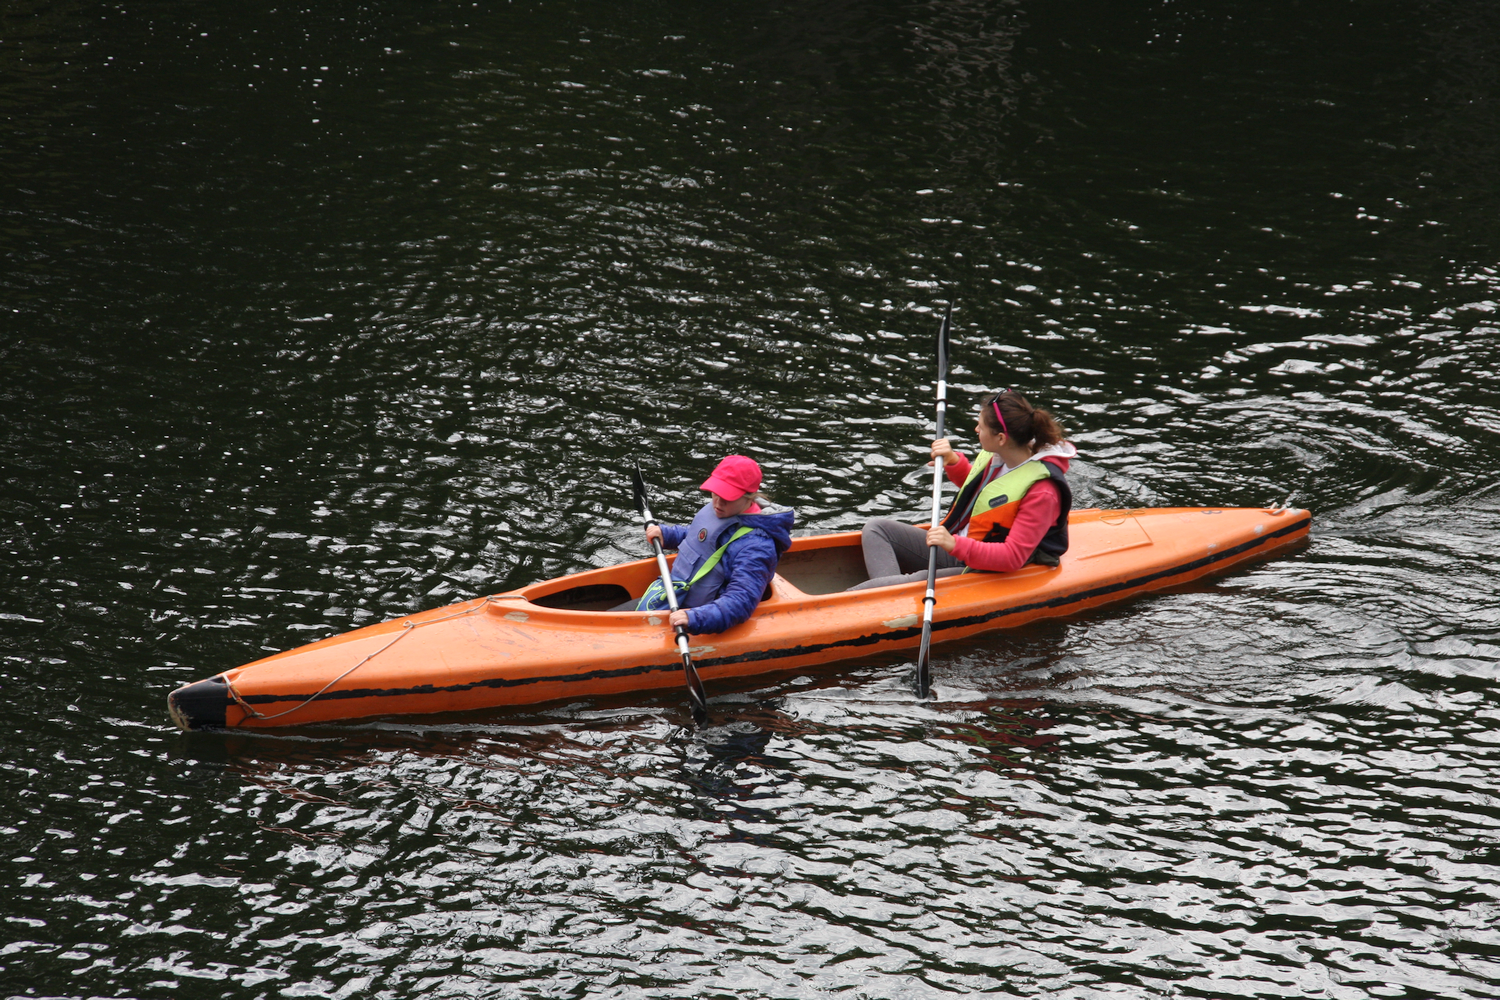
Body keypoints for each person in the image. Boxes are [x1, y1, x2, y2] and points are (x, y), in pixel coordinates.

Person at [851, 390, 1075, 591]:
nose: (976, 429)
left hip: (986, 565)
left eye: (981, 426)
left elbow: (1013, 557)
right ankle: (889, 596)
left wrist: (954, 544)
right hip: (962, 546)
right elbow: (984, 494)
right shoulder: (1003, 456)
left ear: (1001, 438)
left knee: (916, 580)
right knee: (876, 529)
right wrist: (952, 461)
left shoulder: (1043, 491)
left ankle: (886, 594)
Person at [632, 455, 795, 634]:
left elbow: (741, 601)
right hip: (674, 596)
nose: (718, 502)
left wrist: (695, 618)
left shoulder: (757, 547)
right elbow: (700, 537)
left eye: (727, 497)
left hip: (701, 615)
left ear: (749, 497)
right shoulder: (724, 510)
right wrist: (667, 535)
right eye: (716, 493)